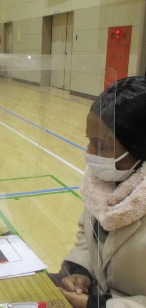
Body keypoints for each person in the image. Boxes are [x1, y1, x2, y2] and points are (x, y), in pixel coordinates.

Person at [48, 76, 146, 307]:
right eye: (89, 140)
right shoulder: (103, 182)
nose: (89, 152)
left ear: (139, 145)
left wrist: (98, 306)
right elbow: (87, 235)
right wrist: (81, 272)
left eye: (101, 145)